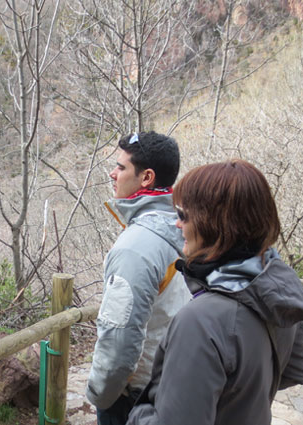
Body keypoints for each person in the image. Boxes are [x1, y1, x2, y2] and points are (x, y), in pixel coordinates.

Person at [126, 159, 303, 425]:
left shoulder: (201, 320)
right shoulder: (278, 285)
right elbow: (294, 370)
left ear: (214, 224)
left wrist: (140, 413)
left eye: (182, 214)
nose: (177, 224)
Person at [86, 131, 191, 425]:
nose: (113, 173)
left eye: (121, 167)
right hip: (172, 382)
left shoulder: (135, 247)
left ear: (146, 178)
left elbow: (120, 337)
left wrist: (100, 395)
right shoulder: (185, 227)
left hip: (133, 397)